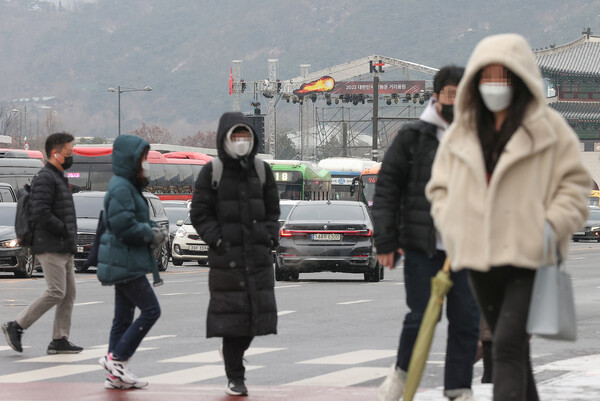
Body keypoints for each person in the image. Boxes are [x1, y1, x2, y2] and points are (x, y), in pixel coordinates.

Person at [426, 34, 591, 401]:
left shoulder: (548, 129)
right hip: (479, 255)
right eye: (487, 77)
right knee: (512, 347)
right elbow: (439, 189)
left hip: (531, 253)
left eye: (504, 76)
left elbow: (576, 187)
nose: (495, 85)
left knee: (507, 346)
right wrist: (453, 226)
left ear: (520, 79)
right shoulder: (462, 133)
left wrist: (550, 224)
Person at [373, 66, 480, 401]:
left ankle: (459, 388)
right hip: (423, 246)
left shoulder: (478, 137)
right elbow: (387, 188)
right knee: (420, 318)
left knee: (466, 320)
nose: (457, 100)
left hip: (466, 248)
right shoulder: (413, 137)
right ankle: (400, 377)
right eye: (451, 93)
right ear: (436, 96)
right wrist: (386, 240)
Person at [190, 112, 280, 397]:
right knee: (232, 322)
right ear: (224, 138)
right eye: (235, 136)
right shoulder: (212, 172)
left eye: (245, 136)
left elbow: (273, 211)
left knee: (256, 320)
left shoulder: (262, 170)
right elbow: (199, 213)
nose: (241, 142)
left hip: (257, 258)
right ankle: (235, 376)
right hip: (226, 261)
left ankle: (231, 355)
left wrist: (270, 236)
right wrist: (217, 240)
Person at [2, 132, 83, 355]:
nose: (71, 156)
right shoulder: (46, 178)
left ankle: (59, 339)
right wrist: (64, 229)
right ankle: (16, 326)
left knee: (68, 293)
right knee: (57, 291)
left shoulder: (58, 177)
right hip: (50, 245)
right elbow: (40, 212)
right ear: (55, 154)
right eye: (68, 152)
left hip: (63, 245)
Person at [96, 135, 166, 390]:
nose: (146, 163)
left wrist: (153, 227)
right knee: (151, 311)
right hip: (123, 261)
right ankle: (116, 359)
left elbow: (135, 218)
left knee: (123, 319)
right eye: (143, 158)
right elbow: (123, 225)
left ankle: (116, 375)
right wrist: (151, 234)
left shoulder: (126, 186)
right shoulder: (122, 188)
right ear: (130, 160)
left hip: (123, 261)